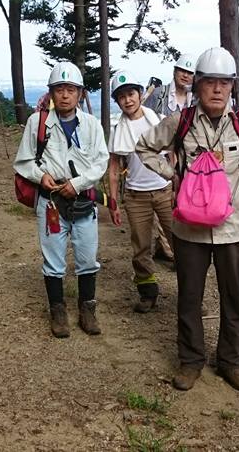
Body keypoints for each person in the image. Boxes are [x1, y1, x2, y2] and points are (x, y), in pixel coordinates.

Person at [136, 47, 239, 392]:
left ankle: (231, 362)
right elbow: (145, 146)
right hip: (189, 228)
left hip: (233, 227)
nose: (218, 89)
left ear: (233, 86)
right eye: (210, 82)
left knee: (233, 298)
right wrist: (172, 174)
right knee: (189, 297)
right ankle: (190, 361)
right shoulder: (181, 121)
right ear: (198, 85)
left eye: (225, 83)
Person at [13, 61, 108, 338]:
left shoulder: (91, 125)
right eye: (59, 89)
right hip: (51, 201)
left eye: (71, 89)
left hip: (83, 202)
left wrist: (77, 184)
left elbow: (101, 162)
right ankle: (58, 310)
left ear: (80, 93)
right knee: (53, 258)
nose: (65, 95)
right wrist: (40, 175)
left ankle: (87, 309)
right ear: (51, 93)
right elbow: (23, 161)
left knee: (87, 257)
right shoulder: (38, 122)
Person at [107, 70, 173, 313]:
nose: (128, 100)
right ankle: (148, 292)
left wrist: (177, 185)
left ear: (139, 94)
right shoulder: (118, 130)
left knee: (180, 242)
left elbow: (173, 153)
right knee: (141, 246)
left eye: (131, 94)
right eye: (121, 96)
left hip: (164, 190)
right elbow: (114, 168)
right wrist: (113, 202)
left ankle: (191, 294)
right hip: (136, 195)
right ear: (117, 101)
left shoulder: (158, 121)